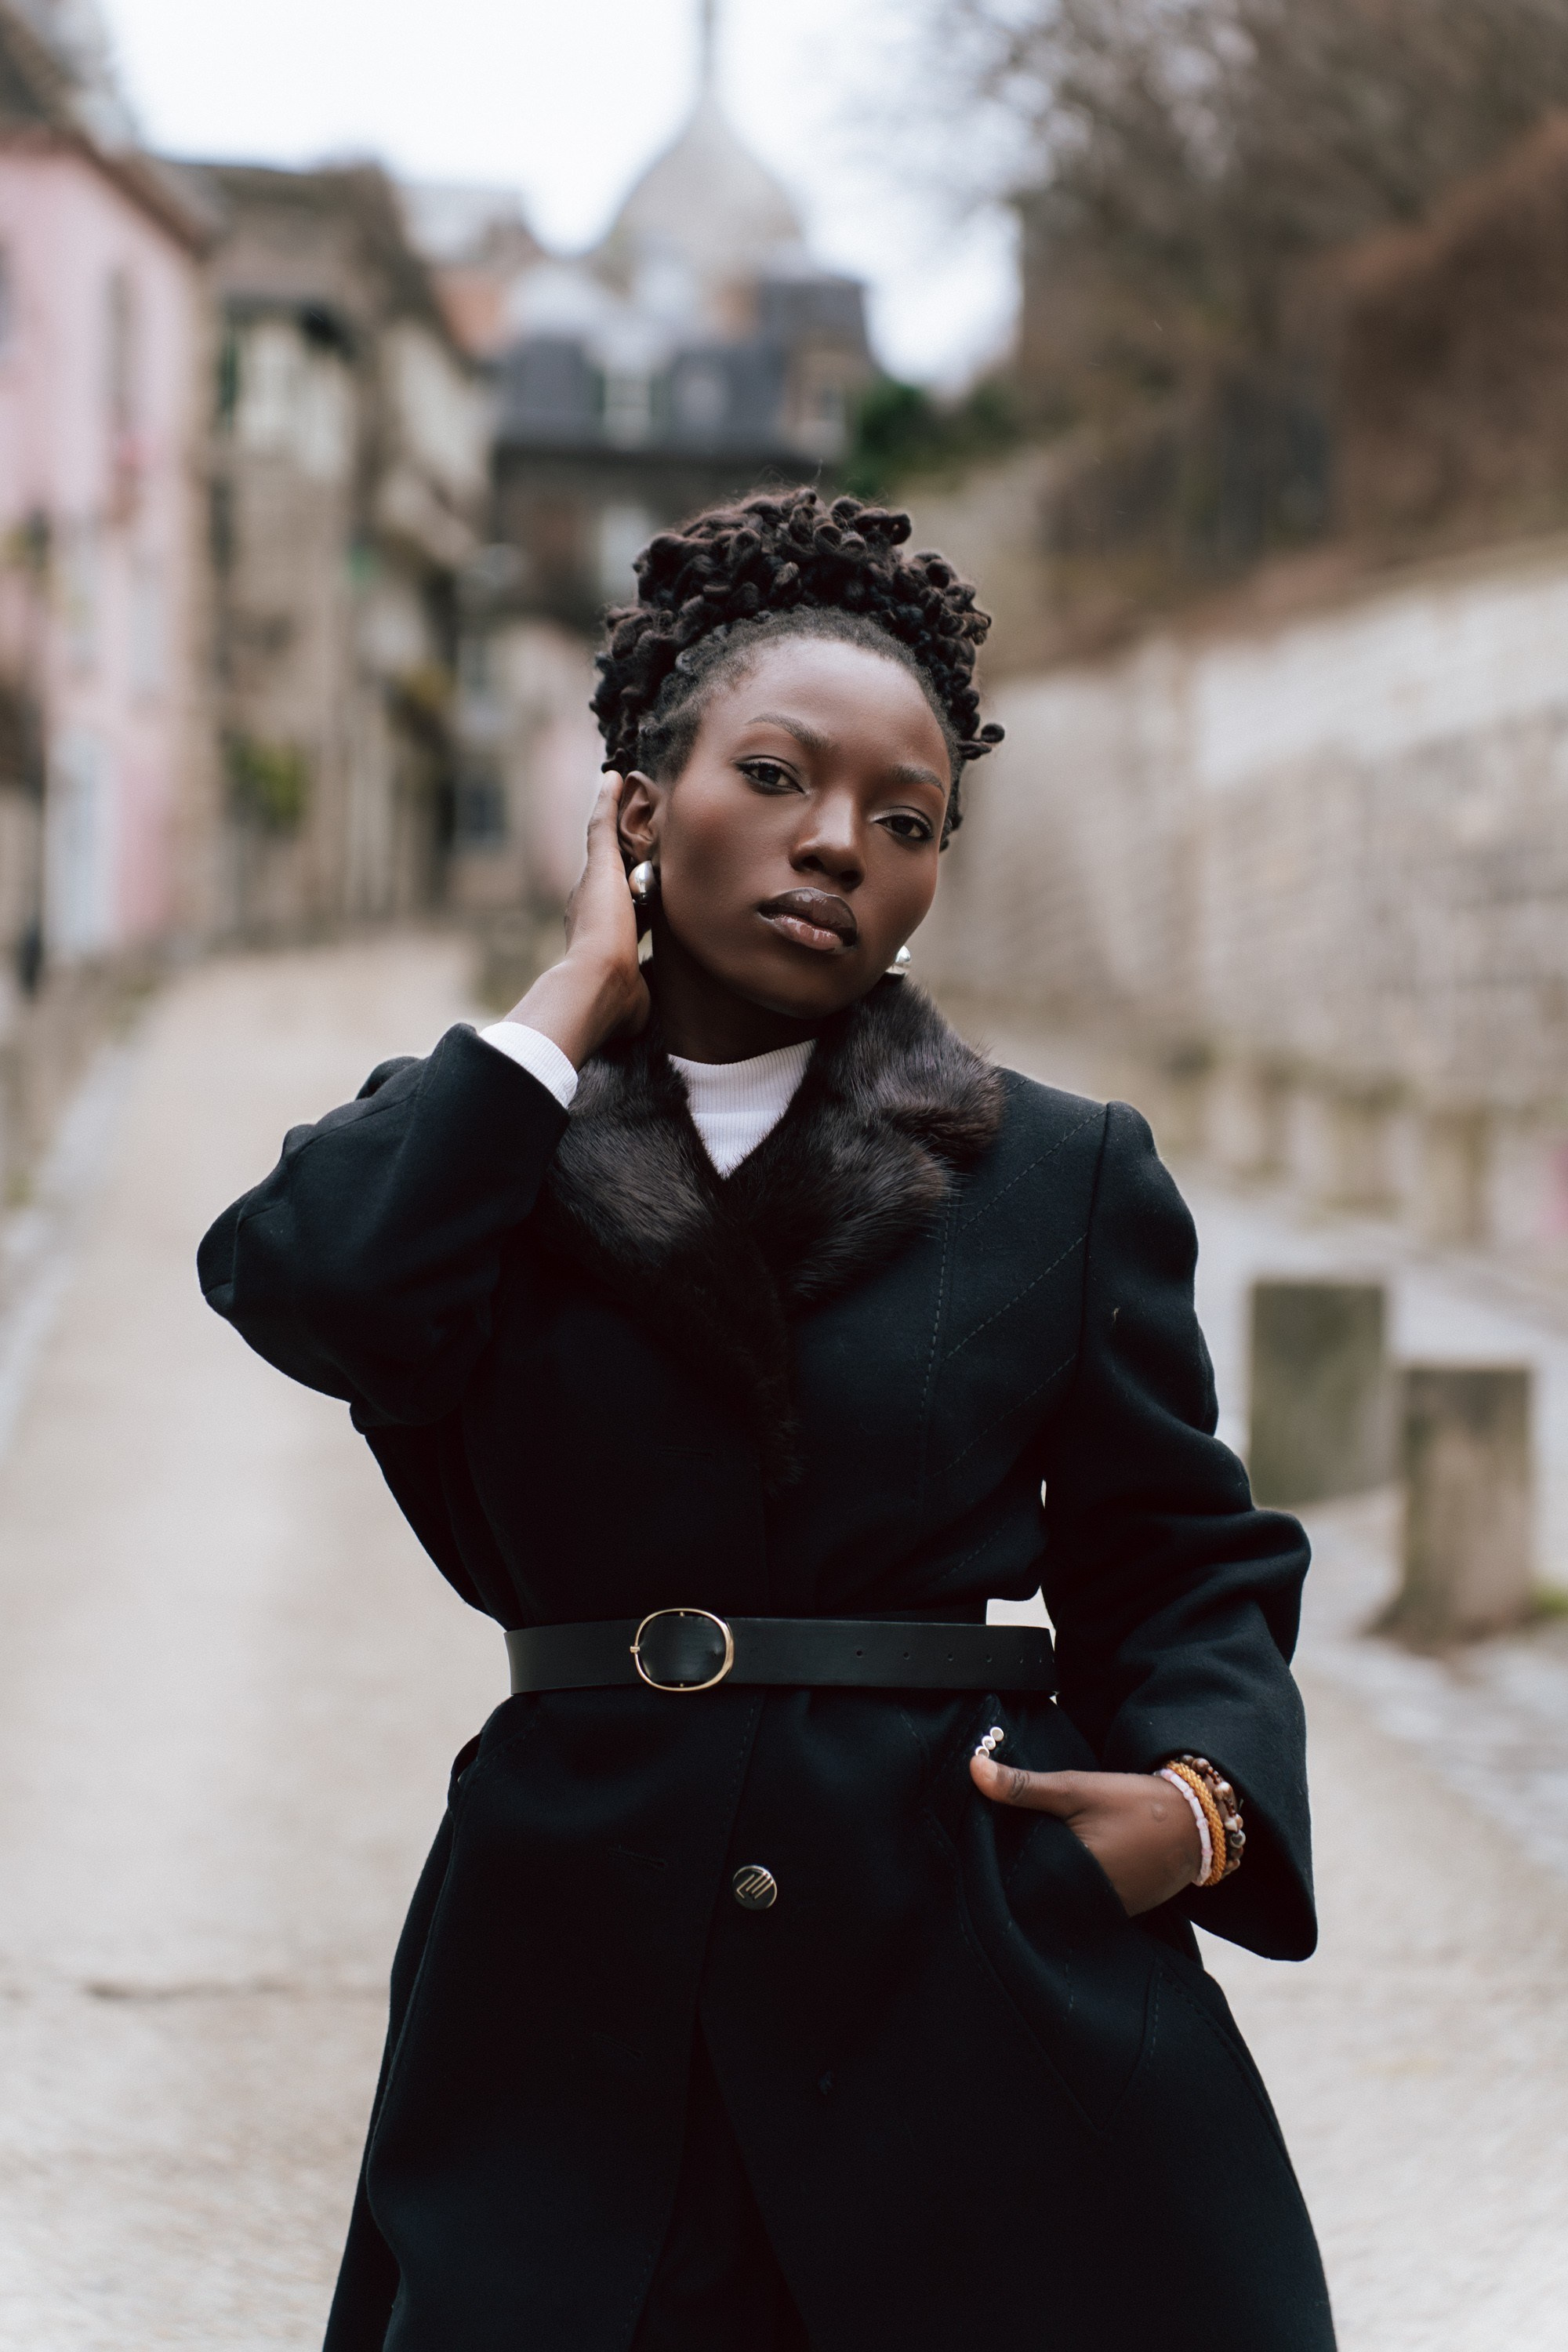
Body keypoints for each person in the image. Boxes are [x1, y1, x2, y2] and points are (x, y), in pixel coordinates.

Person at [198, 488, 1334, 2351]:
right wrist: (567, 1003)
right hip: (568, 1959)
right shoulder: (476, 1137)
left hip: (955, 1944)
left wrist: (1194, 1812)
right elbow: (316, 1300)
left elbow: (1178, 1552)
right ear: (639, 810)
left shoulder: (1055, 1169)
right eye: (780, 776)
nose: (839, 847)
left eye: (907, 823)